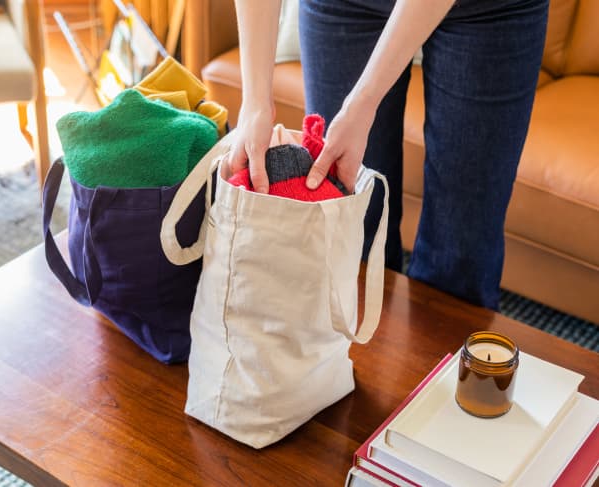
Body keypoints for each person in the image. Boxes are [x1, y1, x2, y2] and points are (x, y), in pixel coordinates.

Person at [228, 0, 549, 310]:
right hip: (345, 6)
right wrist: (255, 102)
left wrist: (362, 104)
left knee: (459, 250)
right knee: (348, 224)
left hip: (489, 12)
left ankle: (445, 362)